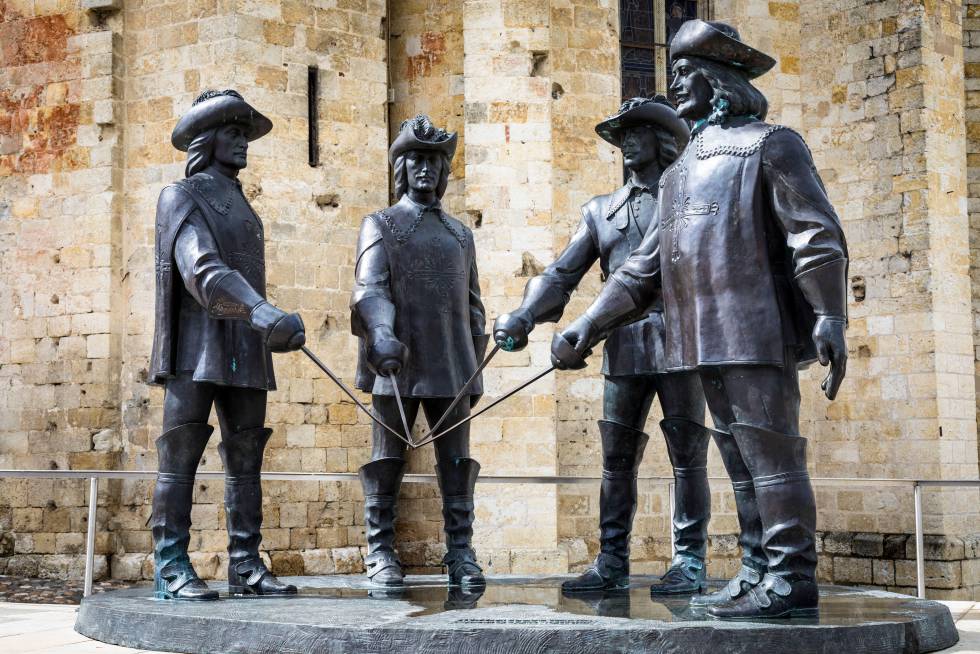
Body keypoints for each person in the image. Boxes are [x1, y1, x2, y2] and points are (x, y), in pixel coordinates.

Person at [550, 21, 848, 619]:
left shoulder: (771, 145)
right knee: (739, 460)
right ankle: (756, 570)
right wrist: (590, 324)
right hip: (699, 341)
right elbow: (643, 269)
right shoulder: (680, 173)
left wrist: (830, 314)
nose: (676, 84)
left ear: (719, 80)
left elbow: (815, 236)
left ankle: (792, 577)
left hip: (754, 334)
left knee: (772, 456)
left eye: (685, 73)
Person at [494, 97, 714, 596]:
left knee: (688, 455)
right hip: (624, 346)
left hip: (682, 343)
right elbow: (561, 275)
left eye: (637, 131)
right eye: (623, 135)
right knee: (616, 459)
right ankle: (612, 560)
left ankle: (689, 559)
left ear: (661, 140)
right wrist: (525, 315)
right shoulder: (600, 212)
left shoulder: (687, 199)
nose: (627, 142)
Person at [149, 89, 306, 599]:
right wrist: (262, 311)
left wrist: (265, 322)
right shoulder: (181, 195)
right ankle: (171, 565)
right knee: (180, 456)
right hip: (195, 350)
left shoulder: (241, 203)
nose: (243, 143)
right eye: (234, 133)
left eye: (244, 134)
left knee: (246, 456)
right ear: (208, 139)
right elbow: (202, 270)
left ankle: (245, 564)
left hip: (245, 346)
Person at [351, 115, 488, 589]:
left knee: (457, 460)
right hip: (396, 362)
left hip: (452, 362)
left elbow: (473, 306)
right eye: (416, 160)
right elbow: (369, 289)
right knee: (386, 457)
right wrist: (381, 335)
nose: (425, 169)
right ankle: (380, 550)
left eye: (433, 160)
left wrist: (475, 367)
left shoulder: (461, 235)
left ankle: (461, 550)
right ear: (402, 167)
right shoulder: (381, 224)